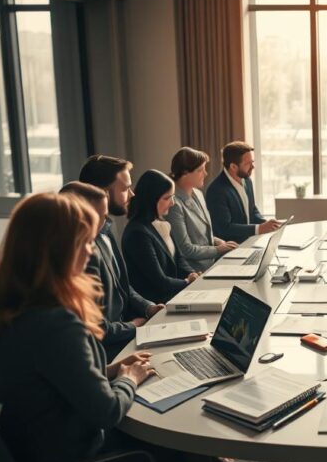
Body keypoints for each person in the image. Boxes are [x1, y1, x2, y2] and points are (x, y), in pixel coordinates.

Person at [0, 192, 249, 462]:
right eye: (84, 242)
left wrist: (114, 369)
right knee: (177, 428)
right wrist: (130, 379)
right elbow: (107, 412)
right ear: (58, 249)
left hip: (41, 453)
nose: (89, 251)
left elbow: (53, 378)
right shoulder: (54, 321)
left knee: (173, 414)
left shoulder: (8, 305)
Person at [78, 156, 162, 357]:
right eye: (125, 189)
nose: (132, 194)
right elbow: (97, 327)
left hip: (127, 331)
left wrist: (148, 307)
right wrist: (134, 326)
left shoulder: (107, 228)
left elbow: (122, 286)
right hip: (109, 349)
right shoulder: (82, 250)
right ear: (103, 194)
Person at [122, 170, 200, 304]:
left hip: (172, 297)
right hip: (157, 305)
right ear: (150, 200)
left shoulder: (161, 224)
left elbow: (179, 260)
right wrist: (188, 282)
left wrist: (193, 275)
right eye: (167, 198)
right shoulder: (137, 233)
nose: (172, 203)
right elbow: (159, 281)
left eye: (173, 196)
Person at [166, 147, 239, 273]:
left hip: (211, 266)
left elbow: (203, 235)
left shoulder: (198, 193)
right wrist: (219, 250)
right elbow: (186, 249)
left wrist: (219, 242)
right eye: (200, 170)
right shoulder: (174, 204)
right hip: (193, 273)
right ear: (184, 173)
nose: (205, 173)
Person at [207, 141, 282, 243]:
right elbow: (224, 228)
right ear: (233, 167)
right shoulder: (216, 190)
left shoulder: (247, 180)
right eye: (247, 164)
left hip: (250, 242)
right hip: (231, 249)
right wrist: (259, 228)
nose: (252, 167)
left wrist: (268, 224)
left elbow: (252, 209)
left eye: (252, 162)